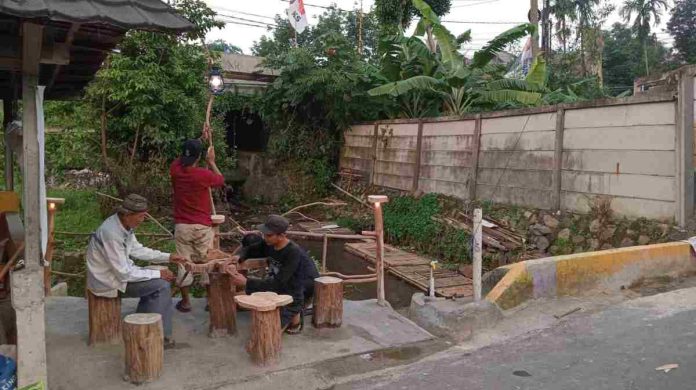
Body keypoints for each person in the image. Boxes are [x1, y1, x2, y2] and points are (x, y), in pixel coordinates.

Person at [86, 194, 185, 347]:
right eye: (140, 216)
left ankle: (142, 323)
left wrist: (168, 257)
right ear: (127, 215)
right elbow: (124, 273)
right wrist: (158, 274)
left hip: (118, 275)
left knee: (157, 278)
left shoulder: (123, 225)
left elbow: (137, 250)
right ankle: (157, 337)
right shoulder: (111, 233)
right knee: (161, 285)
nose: (142, 220)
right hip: (108, 282)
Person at [234, 215, 319, 334]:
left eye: (269, 235)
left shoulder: (293, 253)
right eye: (264, 234)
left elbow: (278, 283)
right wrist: (238, 257)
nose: (265, 238)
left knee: (267, 332)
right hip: (280, 287)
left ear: (282, 235)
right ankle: (291, 316)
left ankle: (296, 315)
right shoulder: (269, 244)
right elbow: (250, 249)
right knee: (238, 301)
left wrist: (246, 282)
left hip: (295, 292)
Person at [170, 138, 225, 313]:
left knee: (182, 263)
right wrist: (211, 161)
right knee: (207, 263)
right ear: (199, 157)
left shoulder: (175, 170)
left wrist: (195, 146)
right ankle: (210, 301)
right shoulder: (204, 175)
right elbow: (220, 180)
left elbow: (180, 160)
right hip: (202, 227)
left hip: (182, 227)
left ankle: (186, 302)